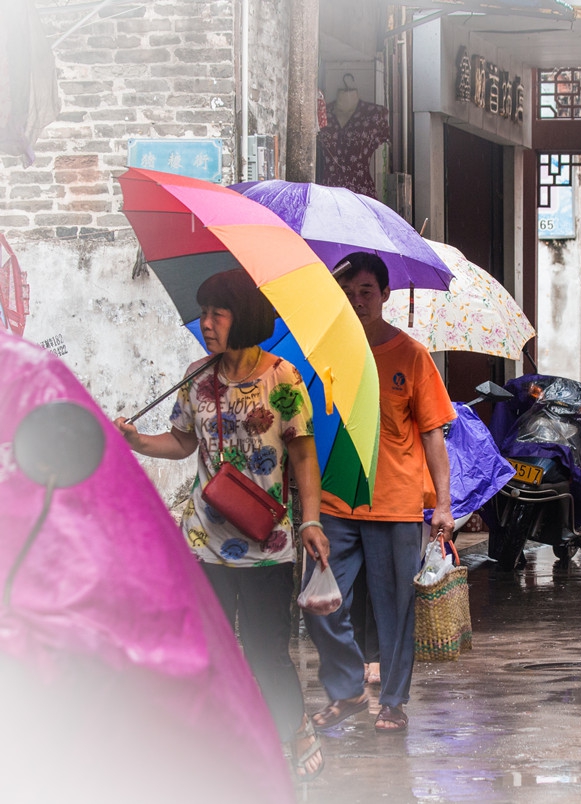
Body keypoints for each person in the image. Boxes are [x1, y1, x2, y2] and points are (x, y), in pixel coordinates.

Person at [114, 269, 330, 783]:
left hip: (266, 544)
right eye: (204, 311)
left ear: (245, 316)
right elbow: (183, 442)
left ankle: (295, 729)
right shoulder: (197, 377)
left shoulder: (282, 380)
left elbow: (302, 455)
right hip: (203, 541)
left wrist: (311, 522)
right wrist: (139, 442)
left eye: (218, 312)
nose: (207, 323)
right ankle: (220, 739)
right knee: (207, 649)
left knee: (265, 650)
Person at [303, 252, 455, 733]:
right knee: (321, 601)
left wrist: (444, 505)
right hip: (334, 503)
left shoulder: (411, 355)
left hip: (395, 504)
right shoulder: (321, 355)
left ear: (385, 295)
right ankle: (348, 686)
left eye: (365, 292)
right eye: (347, 294)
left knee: (395, 611)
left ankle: (392, 700)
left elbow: (432, 433)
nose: (357, 301)